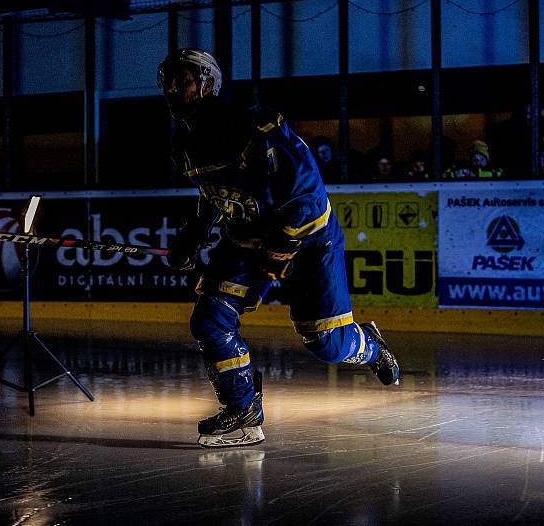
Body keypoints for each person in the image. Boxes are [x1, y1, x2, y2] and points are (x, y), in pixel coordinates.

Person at [157, 48, 400, 448]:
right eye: (167, 81)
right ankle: (243, 409)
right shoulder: (182, 143)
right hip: (246, 240)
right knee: (210, 320)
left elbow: (306, 192)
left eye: (181, 80)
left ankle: (371, 348)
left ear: (207, 84)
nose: (171, 89)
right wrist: (193, 235)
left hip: (309, 239)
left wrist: (282, 247)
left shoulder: (254, 125)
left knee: (325, 344)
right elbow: (214, 195)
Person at [488, 104, 544, 179]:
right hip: (510, 182)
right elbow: (494, 160)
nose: (529, 116)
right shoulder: (502, 131)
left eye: (534, 110)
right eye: (526, 112)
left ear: (542, 111)